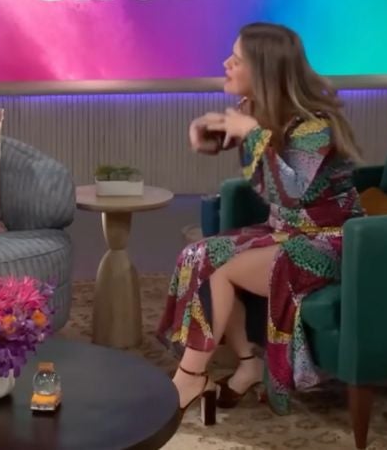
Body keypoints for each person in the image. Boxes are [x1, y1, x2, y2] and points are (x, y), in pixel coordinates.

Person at [156, 22, 365, 421]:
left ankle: (189, 378)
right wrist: (213, 135)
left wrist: (252, 132)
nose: (226, 63)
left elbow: (293, 192)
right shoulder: (262, 112)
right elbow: (251, 162)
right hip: (285, 231)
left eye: (237, 59)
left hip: (329, 241)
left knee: (217, 270)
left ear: (263, 70)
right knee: (201, 253)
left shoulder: (314, 125)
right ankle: (248, 363)